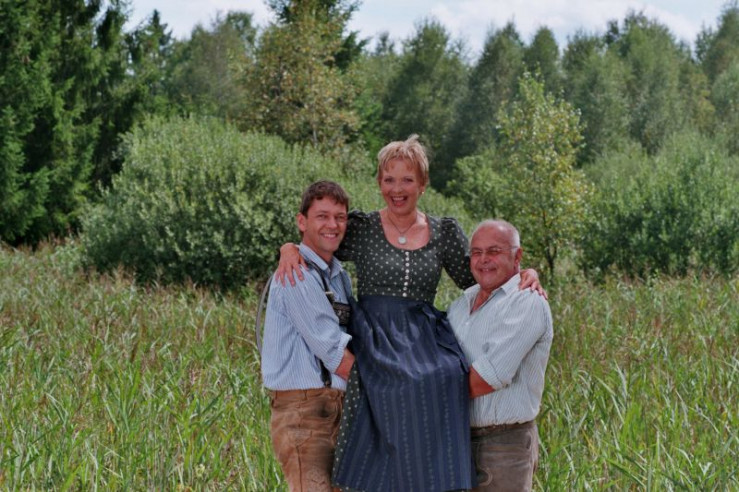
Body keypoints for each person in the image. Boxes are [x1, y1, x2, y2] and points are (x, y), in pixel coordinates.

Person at [277, 135, 543, 491]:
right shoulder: (363, 227)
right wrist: (289, 248)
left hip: (421, 335)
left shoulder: (443, 232)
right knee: (380, 394)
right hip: (374, 331)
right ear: (379, 183)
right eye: (389, 179)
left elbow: (480, 275)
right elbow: (320, 236)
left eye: (407, 179)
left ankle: (434, 478)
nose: (397, 189)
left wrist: (526, 271)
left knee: (443, 377)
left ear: (422, 184)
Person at [261, 180, 356, 492]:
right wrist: (387, 388)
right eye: (322, 216)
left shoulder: (339, 277)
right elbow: (332, 352)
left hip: (336, 406)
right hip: (304, 411)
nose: (332, 225)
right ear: (302, 222)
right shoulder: (297, 274)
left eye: (339, 217)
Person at [448, 220, 553, 492]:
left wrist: (419, 399)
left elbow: (486, 378)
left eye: (494, 251)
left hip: (503, 445)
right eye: (476, 252)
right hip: (457, 442)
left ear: (517, 256)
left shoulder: (526, 302)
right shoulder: (460, 305)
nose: (483, 259)